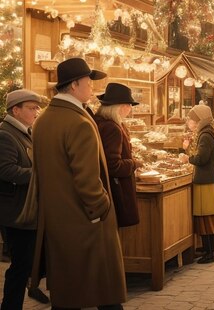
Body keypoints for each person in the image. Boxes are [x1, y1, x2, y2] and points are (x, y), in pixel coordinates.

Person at [31, 57, 126, 309]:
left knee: (68, 294)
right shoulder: (78, 122)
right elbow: (86, 180)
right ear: (74, 85)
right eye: (88, 82)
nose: (92, 87)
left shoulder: (43, 120)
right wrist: (102, 209)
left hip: (57, 221)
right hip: (87, 222)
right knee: (105, 292)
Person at [0, 89, 49, 309]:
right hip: (16, 212)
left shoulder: (24, 131)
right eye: (31, 108)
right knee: (20, 266)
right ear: (15, 110)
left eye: (37, 107)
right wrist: (41, 174)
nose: (36, 111)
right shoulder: (6, 134)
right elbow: (6, 170)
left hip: (25, 209)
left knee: (25, 262)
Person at [94, 83, 142, 229]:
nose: (130, 108)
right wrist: (134, 163)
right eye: (128, 105)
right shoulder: (112, 128)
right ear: (120, 106)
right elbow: (113, 166)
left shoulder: (101, 122)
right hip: (116, 191)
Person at [183, 104, 214, 264]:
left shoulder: (205, 135)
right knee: (205, 215)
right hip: (206, 179)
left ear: (199, 120)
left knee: (207, 216)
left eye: (192, 119)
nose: (190, 123)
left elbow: (202, 159)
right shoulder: (207, 132)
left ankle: (211, 252)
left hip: (205, 180)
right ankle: (207, 249)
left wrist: (187, 158)